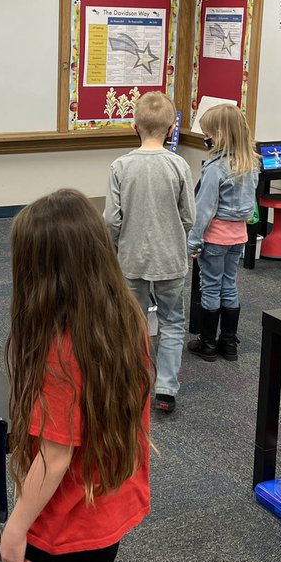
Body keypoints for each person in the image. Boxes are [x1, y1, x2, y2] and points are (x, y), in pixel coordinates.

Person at [0, 189, 152, 562]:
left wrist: (16, 527)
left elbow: (55, 456)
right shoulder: (126, 318)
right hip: (109, 512)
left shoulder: (61, 350)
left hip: (61, 526)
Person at [103, 91, 195, 414]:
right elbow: (189, 217)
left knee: (133, 323)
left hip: (131, 261)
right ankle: (166, 389)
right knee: (172, 322)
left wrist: (114, 248)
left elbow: (111, 220)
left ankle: (133, 384)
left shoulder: (120, 166)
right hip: (171, 261)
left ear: (134, 128)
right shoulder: (179, 165)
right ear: (171, 129)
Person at [187, 104, 259, 361]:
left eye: (208, 134)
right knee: (229, 285)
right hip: (238, 236)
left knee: (210, 286)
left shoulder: (216, 168)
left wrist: (193, 243)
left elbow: (203, 210)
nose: (206, 139)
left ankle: (207, 344)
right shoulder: (251, 165)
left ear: (219, 135)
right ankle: (228, 344)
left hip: (215, 238)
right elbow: (249, 209)